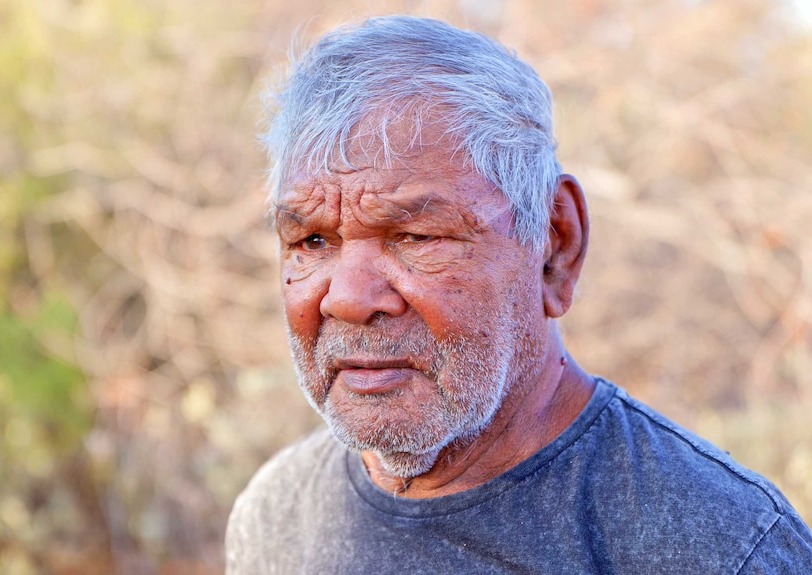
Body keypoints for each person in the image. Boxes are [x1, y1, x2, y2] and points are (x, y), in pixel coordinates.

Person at [226, 15, 812, 574]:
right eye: (312, 239)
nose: (348, 299)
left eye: (416, 235)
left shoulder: (719, 546)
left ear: (555, 246)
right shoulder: (275, 516)